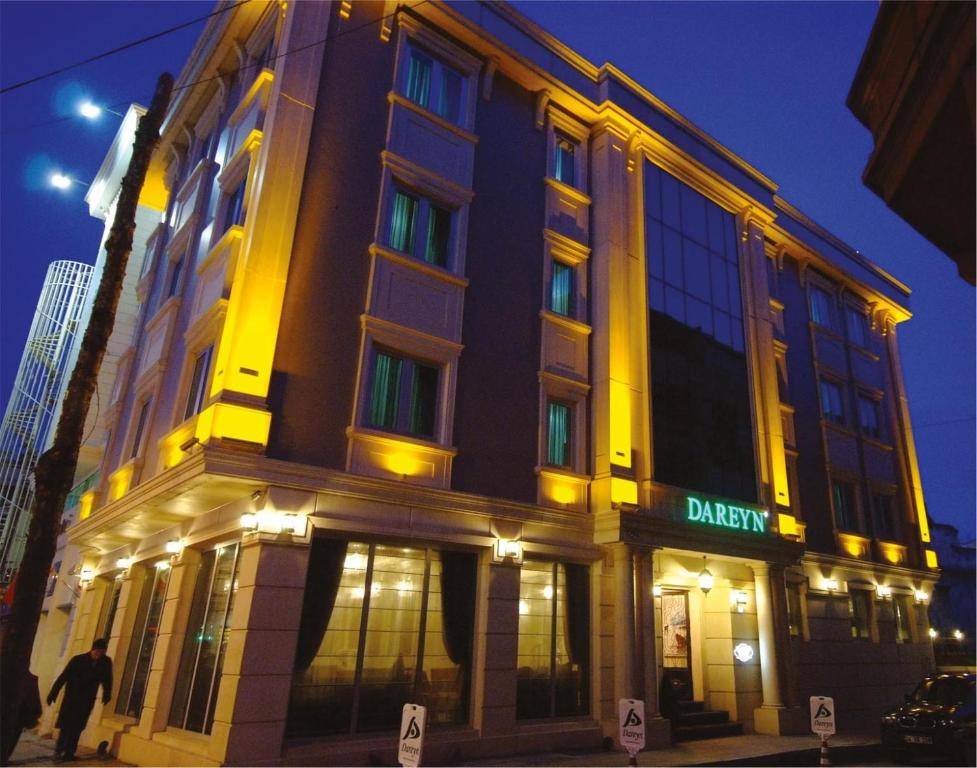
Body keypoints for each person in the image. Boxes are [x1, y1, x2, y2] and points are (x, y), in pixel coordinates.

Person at [46, 639, 112, 761]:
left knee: (78, 727)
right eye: (97, 652)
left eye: (102, 652)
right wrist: (53, 693)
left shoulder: (105, 662)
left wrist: (107, 694)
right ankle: (59, 751)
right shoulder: (78, 660)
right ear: (93, 650)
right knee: (66, 726)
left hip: (87, 699)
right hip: (72, 698)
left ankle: (69, 753)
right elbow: (64, 676)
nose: (99, 655)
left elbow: (107, 679)